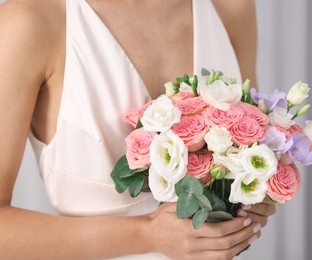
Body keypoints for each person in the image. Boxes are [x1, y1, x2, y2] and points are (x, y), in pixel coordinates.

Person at [0, 0, 276, 259]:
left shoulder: (229, 7)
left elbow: (252, 142)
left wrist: (248, 203)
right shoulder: (31, 21)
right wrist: (146, 235)